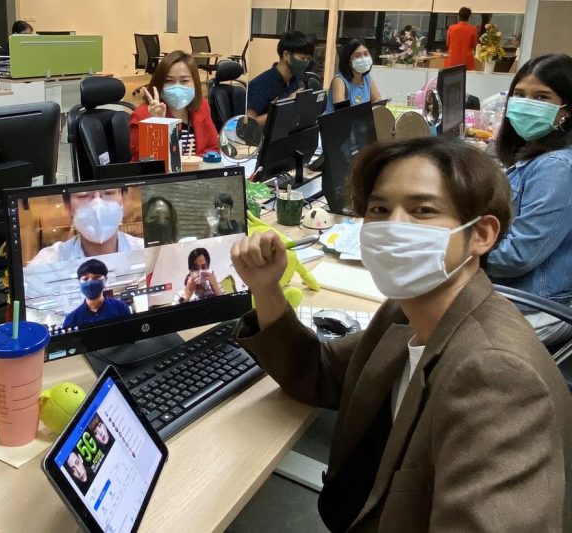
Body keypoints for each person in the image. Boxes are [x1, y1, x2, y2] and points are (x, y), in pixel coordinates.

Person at [231, 136, 572, 531]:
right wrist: (266, 289)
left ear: (481, 234)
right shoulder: (407, 309)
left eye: (422, 210)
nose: (394, 227)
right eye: (379, 209)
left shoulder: (496, 375)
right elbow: (320, 374)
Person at [487, 53, 572, 346]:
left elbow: (517, 255)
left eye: (541, 97)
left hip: (534, 306)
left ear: (566, 110)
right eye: (520, 95)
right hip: (517, 296)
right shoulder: (541, 156)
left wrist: (454, 250)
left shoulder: (556, 167)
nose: (526, 104)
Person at [129, 51, 218, 160]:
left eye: (184, 81)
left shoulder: (201, 106)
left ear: (195, 83)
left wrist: (192, 163)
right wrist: (157, 124)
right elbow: (143, 160)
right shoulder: (142, 115)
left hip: (198, 169)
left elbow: (213, 148)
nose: (177, 87)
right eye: (169, 81)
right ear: (159, 84)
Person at [27, 188, 143, 265]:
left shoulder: (146, 253)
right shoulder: (48, 263)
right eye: (83, 195)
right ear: (68, 206)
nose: (98, 205)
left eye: (109, 193)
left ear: (123, 200)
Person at [247, 31, 316, 126]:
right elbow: (248, 124)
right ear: (286, 55)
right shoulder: (262, 84)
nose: (306, 63)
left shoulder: (296, 81)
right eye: (303, 59)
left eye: (308, 59)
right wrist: (286, 105)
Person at [62, 259, 131, 329]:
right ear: (79, 282)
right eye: (85, 279)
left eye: (96, 277)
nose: (90, 282)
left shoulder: (120, 307)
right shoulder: (71, 319)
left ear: (105, 279)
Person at [325, 39, 382, 113]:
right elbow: (341, 113)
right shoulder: (339, 81)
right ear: (348, 60)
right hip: (340, 120)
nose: (363, 59)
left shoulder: (366, 77)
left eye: (366, 54)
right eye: (357, 56)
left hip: (361, 119)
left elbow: (377, 101)